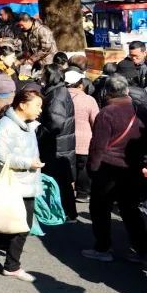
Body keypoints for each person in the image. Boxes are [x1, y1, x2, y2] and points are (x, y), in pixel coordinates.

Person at [0, 88, 46, 282]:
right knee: (8, 225)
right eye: (37, 105)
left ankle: (12, 266)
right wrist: (28, 163)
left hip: (26, 182)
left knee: (24, 226)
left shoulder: (29, 125)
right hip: (9, 183)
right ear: (22, 105)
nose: (40, 110)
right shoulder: (5, 125)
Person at [81, 75, 147, 262]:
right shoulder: (140, 110)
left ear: (107, 92)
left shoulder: (107, 113)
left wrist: (92, 168)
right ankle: (143, 250)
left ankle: (103, 248)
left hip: (108, 168)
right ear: (127, 90)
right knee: (130, 210)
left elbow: (98, 146)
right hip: (133, 168)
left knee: (100, 208)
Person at [37, 64, 77, 220]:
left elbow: (55, 123)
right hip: (60, 143)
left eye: (43, 74)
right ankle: (68, 213)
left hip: (56, 145)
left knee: (58, 181)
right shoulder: (58, 91)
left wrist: (39, 132)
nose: (41, 77)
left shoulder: (56, 95)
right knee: (62, 181)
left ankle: (64, 213)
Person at [66, 69, 99, 202]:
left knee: (67, 166)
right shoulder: (88, 99)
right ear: (80, 84)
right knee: (83, 167)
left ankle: (66, 192)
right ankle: (82, 193)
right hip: (84, 140)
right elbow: (96, 121)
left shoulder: (59, 96)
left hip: (64, 140)